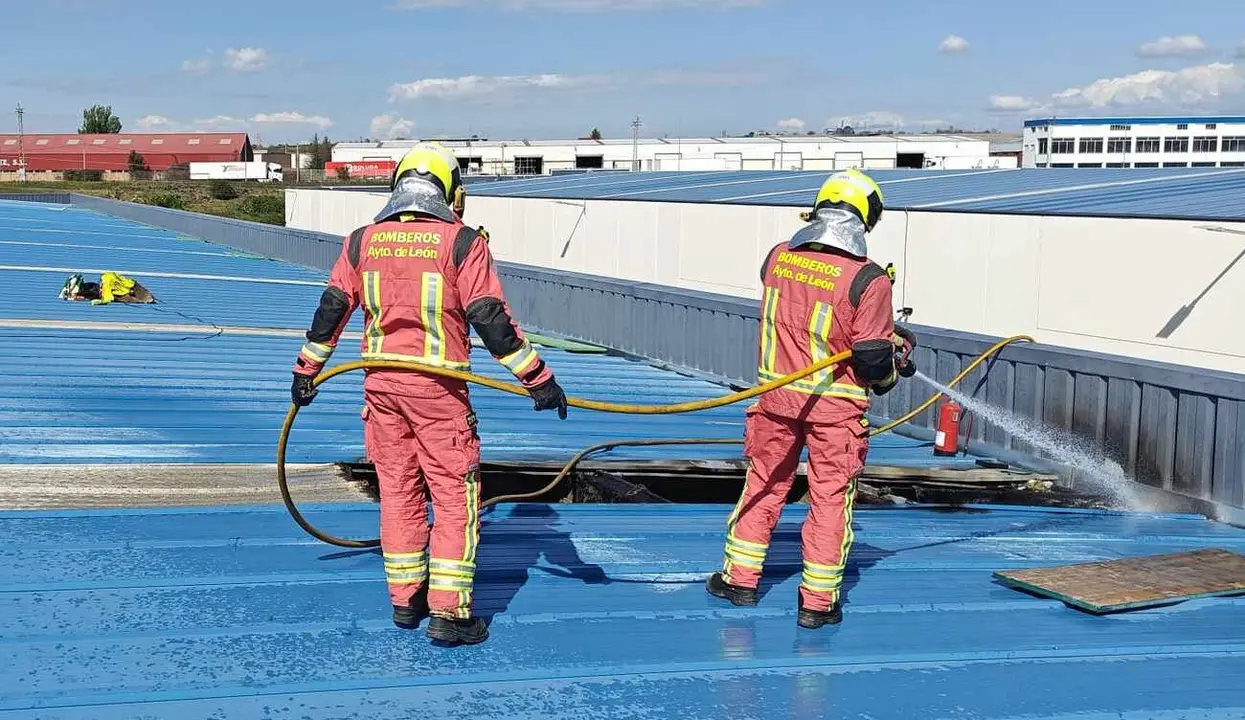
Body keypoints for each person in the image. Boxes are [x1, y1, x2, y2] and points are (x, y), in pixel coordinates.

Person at [289, 142, 569, 646]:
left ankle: (405, 600)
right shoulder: (462, 244)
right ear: (450, 191)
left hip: (381, 390)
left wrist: (306, 370)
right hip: (437, 392)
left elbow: (331, 310)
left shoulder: (361, 241)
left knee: (398, 492)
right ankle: (451, 614)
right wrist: (539, 379)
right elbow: (490, 320)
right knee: (454, 496)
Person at [706, 168, 916, 629]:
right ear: (864, 217)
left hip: (774, 402)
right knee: (829, 500)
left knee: (763, 485)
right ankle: (817, 605)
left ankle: (739, 581)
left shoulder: (778, 258)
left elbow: (808, 315)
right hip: (835, 413)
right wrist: (891, 367)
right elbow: (872, 364)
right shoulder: (870, 280)